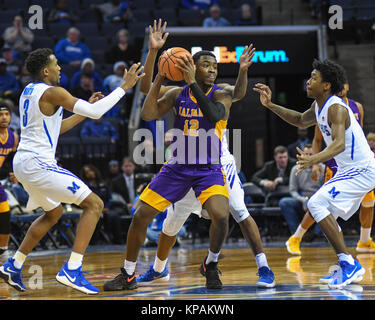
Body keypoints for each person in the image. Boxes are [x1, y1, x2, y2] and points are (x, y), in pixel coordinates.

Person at [103, 19, 255, 291]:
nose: (212, 70)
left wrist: (240, 71)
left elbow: (215, 113)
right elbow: (147, 106)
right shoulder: (176, 93)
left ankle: (211, 264)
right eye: (207, 65)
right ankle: (127, 274)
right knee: (140, 216)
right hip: (177, 168)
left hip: (208, 168)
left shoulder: (221, 94)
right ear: (192, 67)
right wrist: (157, 62)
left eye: (215, 67)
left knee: (222, 216)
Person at [0, 47, 144, 294]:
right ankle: (72, 269)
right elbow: (98, 112)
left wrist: (83, 109)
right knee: (95, 205)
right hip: (37, 164)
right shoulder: (54, 91)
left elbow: (57, 128)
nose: (60, 68)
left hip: (23, 163)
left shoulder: (28, 91)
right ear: (45, 70)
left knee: (53, 213)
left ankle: (14, 265)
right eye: (56, 64)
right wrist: (125, 87)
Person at [253, 59, 375, 289]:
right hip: (350, 170)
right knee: (320, 207)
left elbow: (338, 144)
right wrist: (270, 105)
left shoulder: (337, 107)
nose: (308, 82)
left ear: (327, 85)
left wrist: (314, 159)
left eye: (314, 78)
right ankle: (349, 265)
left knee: (317, 203)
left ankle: (349, 264)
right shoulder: (319, 106)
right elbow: (299, 120)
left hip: (362, 169)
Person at [286, 82, 375, 255]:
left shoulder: (357, 107)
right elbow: (318, 139)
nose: (341, 87)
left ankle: (364, 241)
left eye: (343, 84)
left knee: (369, 201)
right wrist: (316, 163)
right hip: (334, 162)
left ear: (348, 86)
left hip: (356, 165)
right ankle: (297, 236)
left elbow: (358, 134)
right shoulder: (328, 106)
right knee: (321, 203)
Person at [279, 143, 324, 248]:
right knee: (284, 202)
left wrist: (311, 200)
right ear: (302, 155)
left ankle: (316, 234)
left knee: (329, 205)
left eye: (311, 154)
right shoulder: (295, 169)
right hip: (301, 199)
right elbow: (293, 190)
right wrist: (303, 200)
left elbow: (325, 188)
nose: (308, 156)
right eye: (306, 154)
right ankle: (297, 234)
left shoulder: (322, 167)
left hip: (318, 198)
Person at [79, 164, 122, 244]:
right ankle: (95, 241)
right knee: (96, 219)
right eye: (87, 172)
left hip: (105, 209)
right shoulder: (85, 187)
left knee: (114, 216)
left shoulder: (104, 184)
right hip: (93, 210)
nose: (90, 173)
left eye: (91, 171)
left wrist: (106, 208)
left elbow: (110, 199)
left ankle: (118, 240)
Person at [0, 104, 18, 258]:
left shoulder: (13, 137)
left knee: (5, 212)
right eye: (1, 114)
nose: (4, 117)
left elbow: (13, 160)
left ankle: (3, 249)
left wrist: (14, 172)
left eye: (7, 114)